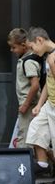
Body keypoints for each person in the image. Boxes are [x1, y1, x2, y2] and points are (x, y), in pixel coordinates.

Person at [25, 27, 55, 176]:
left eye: (32, 47)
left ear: (39, 40)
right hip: (50, 103)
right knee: (36, 128)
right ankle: (43, 164)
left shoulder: (53, 58)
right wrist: (39, 104)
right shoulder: (48, 57)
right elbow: (49, 85)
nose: (32, 51)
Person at [7, 28, 41, 148]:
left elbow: (35, 85)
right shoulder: (26, 59)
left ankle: (23, 165)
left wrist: (25, 104)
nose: (12, 50)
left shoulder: (28, 62)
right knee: (36, 138)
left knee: (24, 140)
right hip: (29, 105)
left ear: (23, 46)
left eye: (14, 47)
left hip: (29, 106)